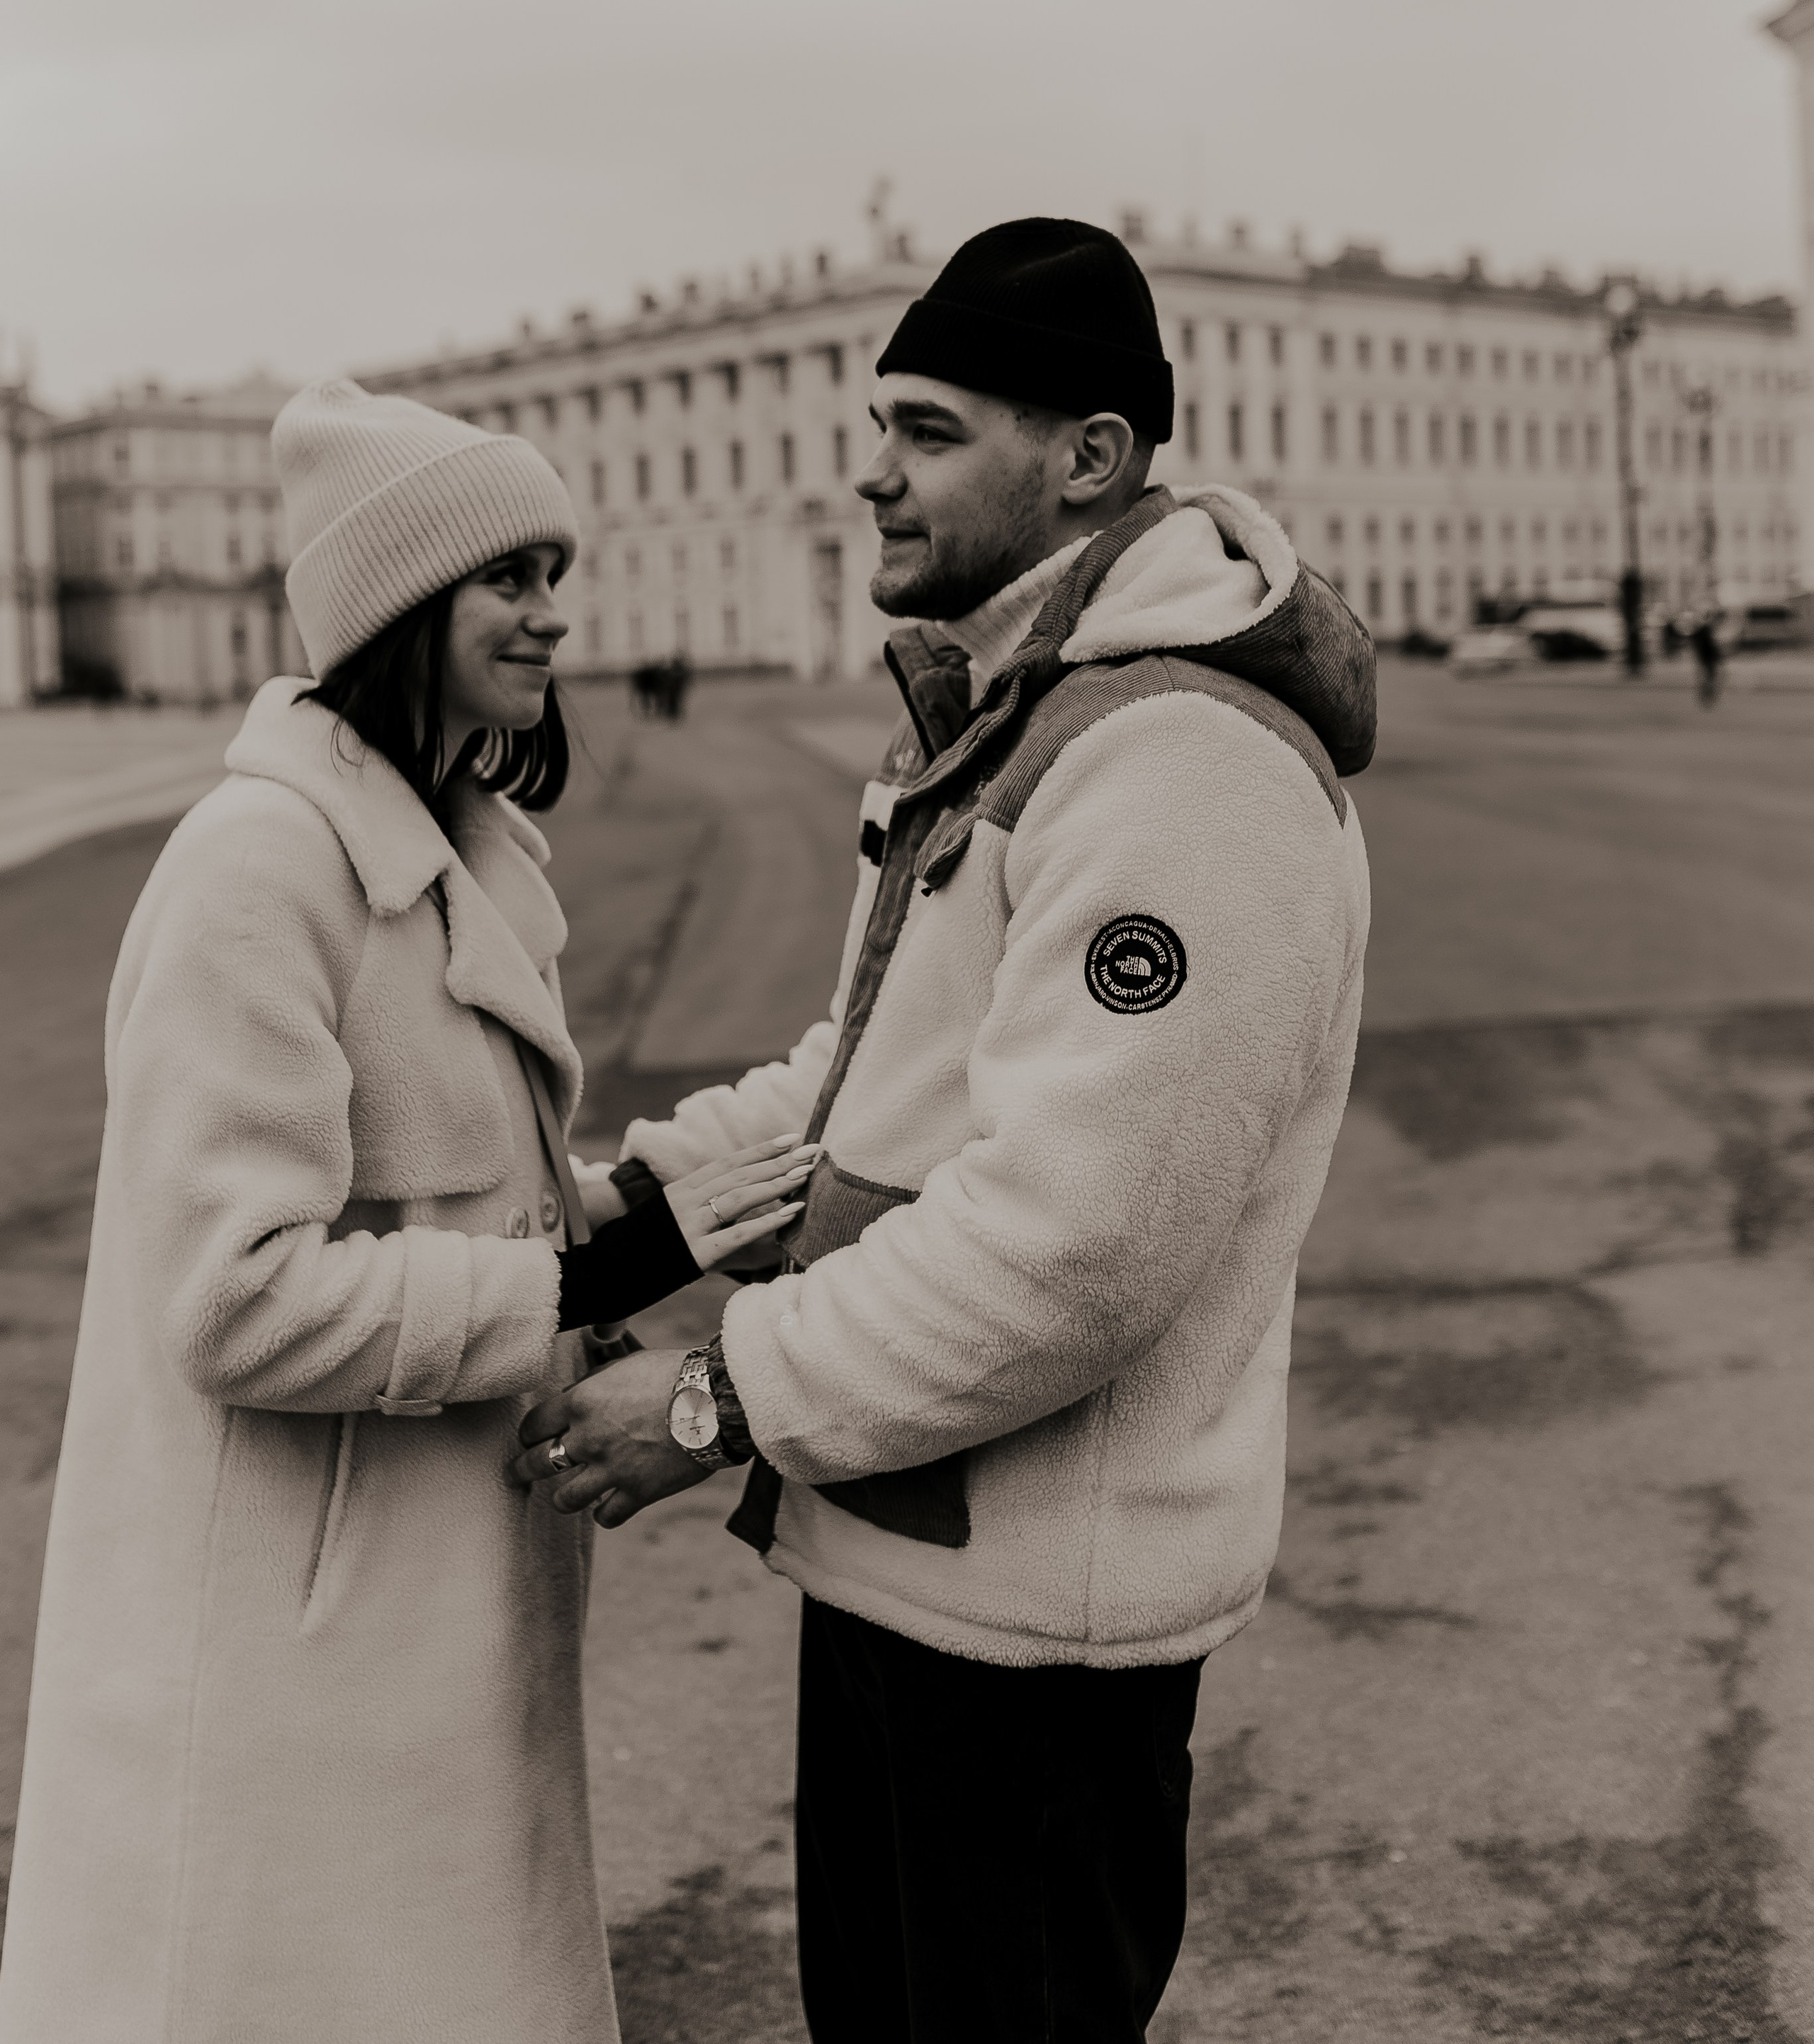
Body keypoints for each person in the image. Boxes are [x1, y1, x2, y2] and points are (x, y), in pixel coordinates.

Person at [517, 219, 1377, 2043]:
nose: (869, 470)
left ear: (1088, 457)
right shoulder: (1022, 717)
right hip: (911, 1557)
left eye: (925, 430)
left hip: (1033, 1637)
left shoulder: (1179, 763)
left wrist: (709, 1399)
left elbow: (1079, 1243)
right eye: (876, 423)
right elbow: (859, 1090)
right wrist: (603, 1226)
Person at [0, 380, 812, 2044]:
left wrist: (663, 1202)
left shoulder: (458, 850)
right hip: (300, 1653)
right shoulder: (258, 867)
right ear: (397, 603)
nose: (552, 612)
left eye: (552, 570)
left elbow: (477, 1211)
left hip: (422, 1610)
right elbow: (236, 1299)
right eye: (508, 576)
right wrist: (597, 1271)